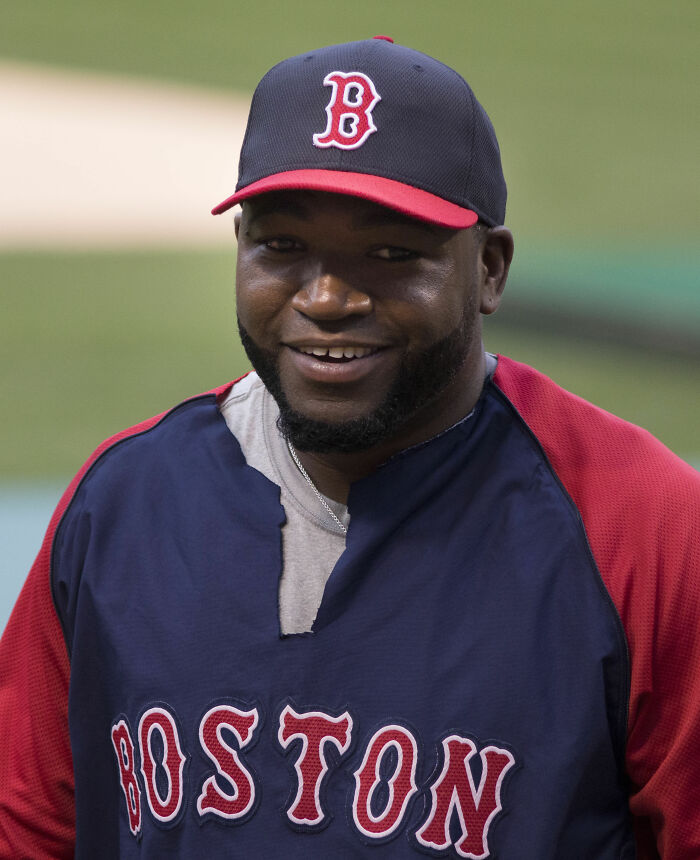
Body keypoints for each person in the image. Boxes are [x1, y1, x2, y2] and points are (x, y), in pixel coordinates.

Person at [0, 36, 698, 860]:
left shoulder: (643, 527)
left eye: (393, 254)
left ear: (490, 271)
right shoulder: (121, 504)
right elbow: (31, 832)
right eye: (282, 247)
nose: (327, 297)